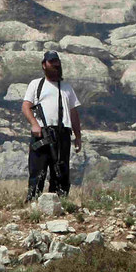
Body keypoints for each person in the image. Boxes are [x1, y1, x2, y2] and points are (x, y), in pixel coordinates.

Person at [22, 51, 82, 202]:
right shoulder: (36, 85)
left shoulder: (67, 88)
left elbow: (74, 113)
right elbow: (26, 106)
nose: (55, 65)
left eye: (57, 62)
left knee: (61, 172)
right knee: (37, 172)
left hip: (62, 134)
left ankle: (59, 203)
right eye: (51, 62)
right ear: (44, 65)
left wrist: (78, 137)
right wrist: (35, 125)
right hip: (41, 134)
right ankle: (33, 203)